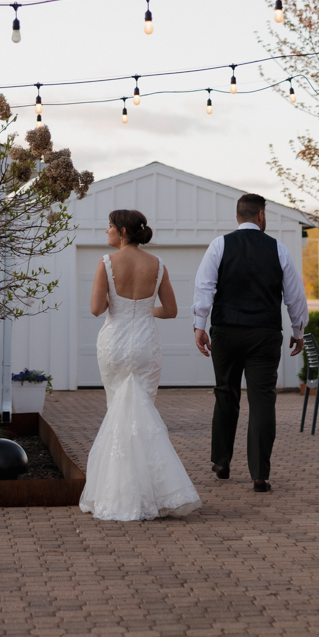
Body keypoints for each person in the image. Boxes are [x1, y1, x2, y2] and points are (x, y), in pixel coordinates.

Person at [79, 208, 202, 522]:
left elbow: (95, 309)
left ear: (122, 232)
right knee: (142, 414)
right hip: (146, 344)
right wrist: (145, 310)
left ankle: (118, 494)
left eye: (108, 227)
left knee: (118, 413)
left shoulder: (106, 263)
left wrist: (114, 300)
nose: (105, 232)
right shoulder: (158, 265)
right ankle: (158, 494)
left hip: (115, 344)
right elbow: (171, 311)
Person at [192, 192, 308, 493]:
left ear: (237, 216)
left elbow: (204, 287)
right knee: (262, 401)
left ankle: (221, 461)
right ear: (260, 216)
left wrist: (198, 326)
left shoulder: (219, 245)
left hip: (226, 332)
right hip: (264, 334)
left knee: (225, 393)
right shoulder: (278, 249)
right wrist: (298, 330)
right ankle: (259, 474)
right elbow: (295, 295)